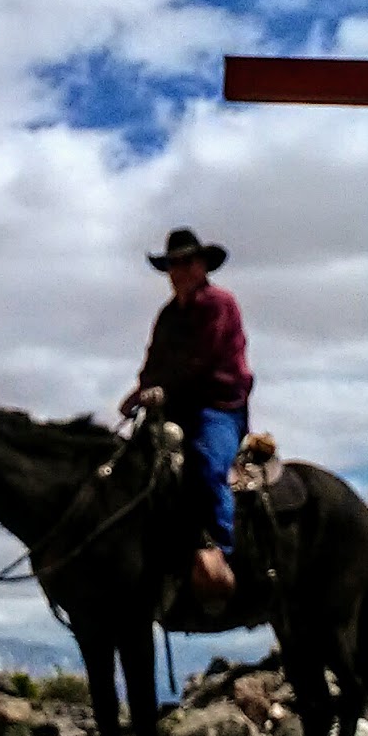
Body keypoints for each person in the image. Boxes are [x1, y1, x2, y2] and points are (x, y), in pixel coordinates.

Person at [119, 228, 253, 602]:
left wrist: (161, 389)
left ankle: (220, 551)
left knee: (207, 463)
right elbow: (154, 362)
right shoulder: (167, 316)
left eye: (187, 262)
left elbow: (203, 359)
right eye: (174, 264)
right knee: (132, 465)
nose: (180, 271)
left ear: (202, 265)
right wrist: (140, 391)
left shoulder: (219, 304)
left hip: (218, 406)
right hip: (174, 407)